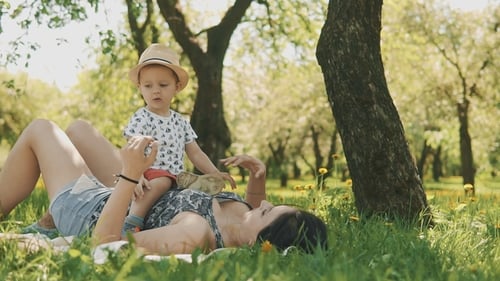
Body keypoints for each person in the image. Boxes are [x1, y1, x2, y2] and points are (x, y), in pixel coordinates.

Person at [0, 119, 328, 254]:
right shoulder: (242, 215)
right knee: (79, 129)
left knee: (41, 129)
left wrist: (129, 175)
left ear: (263, 241)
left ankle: (46, 214)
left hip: (96, 211)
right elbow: (252, 205)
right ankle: (47, 221)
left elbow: (105, 244)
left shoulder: (193, 232)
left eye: (269, 212)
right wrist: (258, 178)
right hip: (140, 187)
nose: (264, 204)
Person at [122, 43, 234, 234]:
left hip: (176, 176)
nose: (156, 91)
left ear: (177, 87)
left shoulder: (180, 121)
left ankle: (195, 185)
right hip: (149, 172)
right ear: (140, 87)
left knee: (180, 183)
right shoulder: (142, 117)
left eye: (163, 85)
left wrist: (215, 173)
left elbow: (195, 152)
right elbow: (132, 149)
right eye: (148, 86)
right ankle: (132, 221)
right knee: (162, 181)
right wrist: (136, 175)